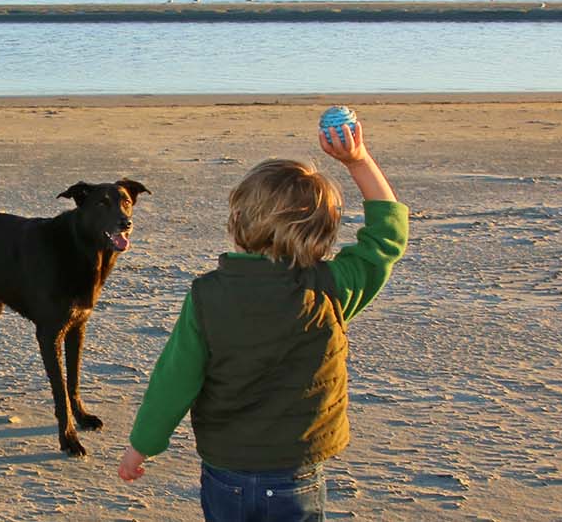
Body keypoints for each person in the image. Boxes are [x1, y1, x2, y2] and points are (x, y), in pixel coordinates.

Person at [115, 114, 408, 522]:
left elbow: (174, 379)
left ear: (239, 220)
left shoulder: (208, 294)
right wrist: (358, 161)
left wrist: (140, 446)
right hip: (297, 472)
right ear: (322, 231)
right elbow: (385, 239)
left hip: (226, 473)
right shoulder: (330, 288)